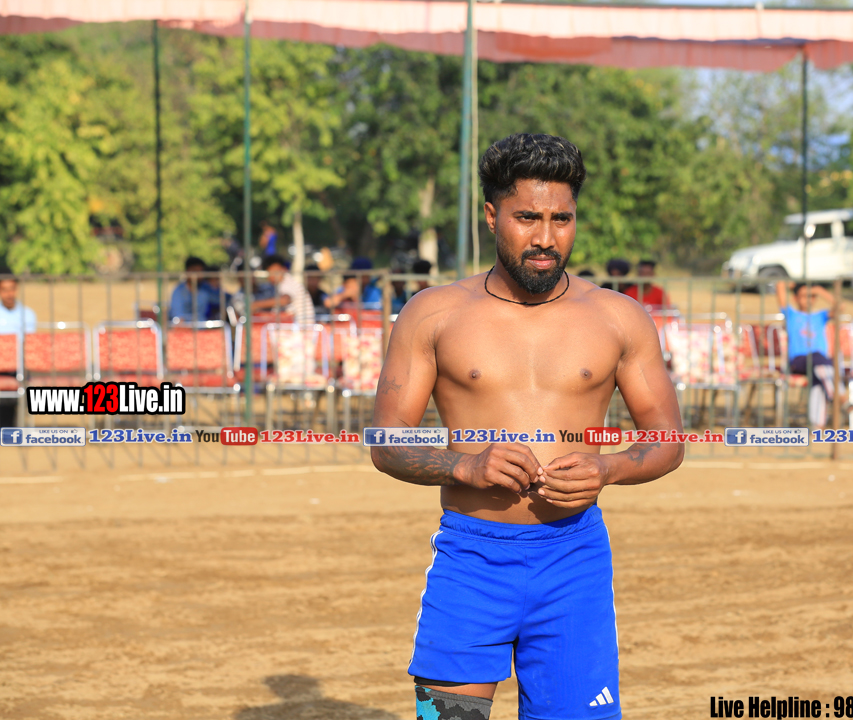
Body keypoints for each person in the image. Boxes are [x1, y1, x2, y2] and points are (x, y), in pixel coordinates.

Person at [370, 133, 684, 720]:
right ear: (493, 216)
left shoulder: (619, 317)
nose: (545, 237)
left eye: (561, 219)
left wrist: (609, 468)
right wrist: (465, 465)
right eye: (527, 218)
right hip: (470, 559)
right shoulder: (433, 313)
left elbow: (667, 439)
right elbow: (387, 442)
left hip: (574, 561)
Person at [776, 280, 838, 429]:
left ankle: (818, 425)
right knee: (818, 359)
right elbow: (780, 286)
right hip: (799, 361)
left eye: (812, 296)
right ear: (796, 298)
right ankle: (838, 396)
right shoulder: (791, 314)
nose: (809, 299)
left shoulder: (820, 316)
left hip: (820, 364)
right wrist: (796, 285)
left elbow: (840, 307)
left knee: (820, 378)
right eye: (804, 296)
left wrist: (820, 290)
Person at [0, 275, 35, 427]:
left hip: (18, 366)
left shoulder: (27, 314)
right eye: (4, 289)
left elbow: (29, 345)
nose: (9, 294)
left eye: (12, 289)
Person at [249, 254, 315, 325]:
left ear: (284, 269)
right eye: (270, 273)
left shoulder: (288, 282)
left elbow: (285, 300)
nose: (273, 275)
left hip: (302, 327)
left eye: (275, 271)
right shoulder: (281, 284)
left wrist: (256, 304)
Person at [169, 257, 217, 323]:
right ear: (187, 271)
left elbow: (220, 299)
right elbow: (177, 315)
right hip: (184, 327)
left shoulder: (206, 289)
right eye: (195, 271)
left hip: (203, 326)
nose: (197, 275)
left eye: (200, 271)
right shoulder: (179, 291)